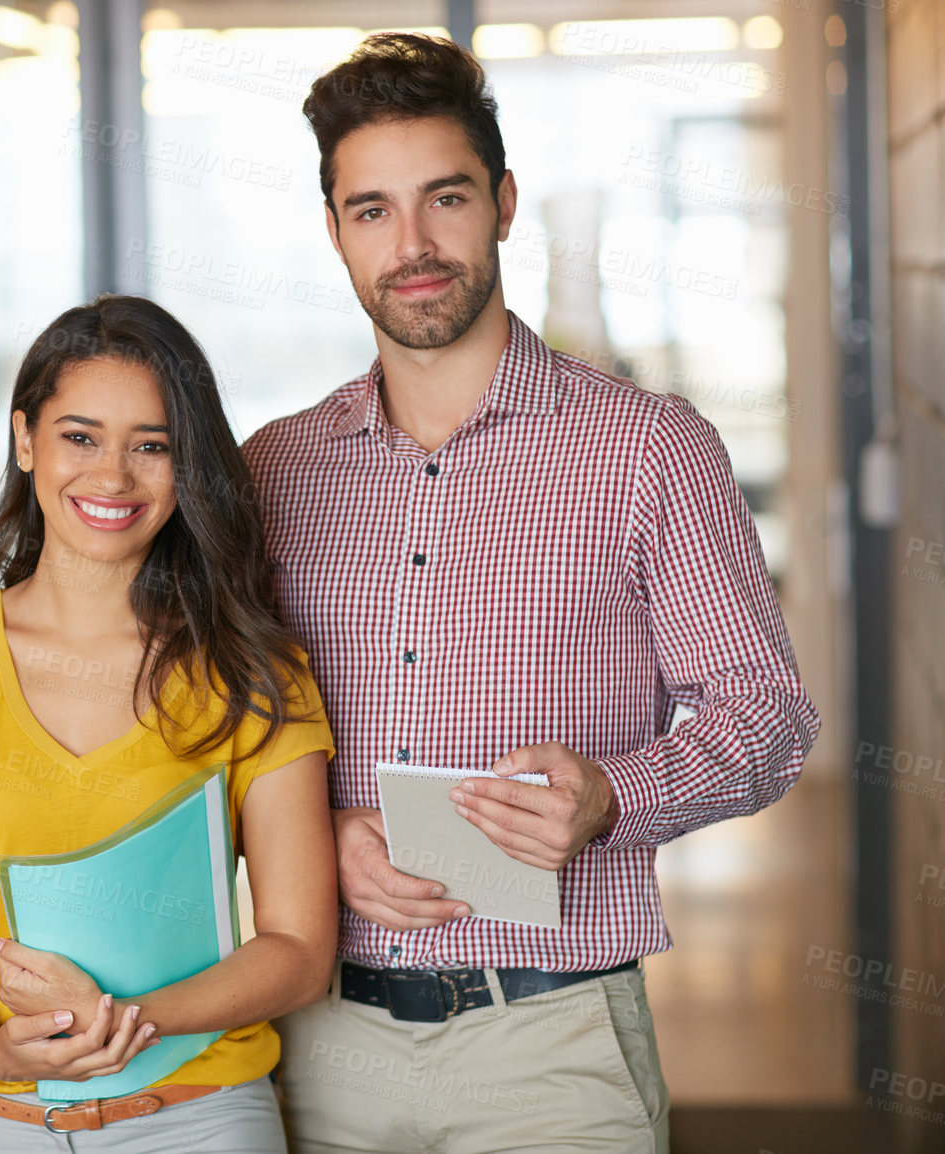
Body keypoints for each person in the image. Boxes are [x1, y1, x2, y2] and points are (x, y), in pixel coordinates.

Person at [242, 34, 820, 1154]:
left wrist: (613, 794)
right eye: (370, 210)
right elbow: (208, 734)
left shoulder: (650, 449)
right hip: (318, 1037)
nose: (410, 246)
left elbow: (770, 716)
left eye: (443, 198)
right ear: (333, 232)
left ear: (503, 204)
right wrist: (310, 831)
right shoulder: (272, 470)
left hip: (554, 1046)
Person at [0, 295, 338, 1150]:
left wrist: (119, 1021)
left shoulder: (256, 671)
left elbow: (299, 946)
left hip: (199, 1122)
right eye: (80, 437)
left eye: (151, 446)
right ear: (24, 440)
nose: (112, 477)